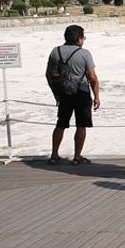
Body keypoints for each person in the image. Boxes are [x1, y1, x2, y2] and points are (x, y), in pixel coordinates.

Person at [46, 24, 101, 165]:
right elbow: (92, 78)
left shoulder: (55, 51)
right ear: (79, 39)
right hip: (81, 92)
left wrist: (55, 94)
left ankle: (54, 155)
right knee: (81, 126)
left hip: (63, 93)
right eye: (83, 37)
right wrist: (97, 97)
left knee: (61, 124)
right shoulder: (84, 54)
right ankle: (77, 157)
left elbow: (48, 74)